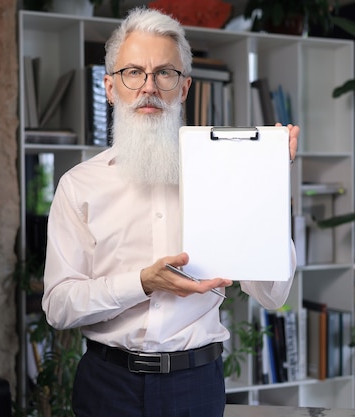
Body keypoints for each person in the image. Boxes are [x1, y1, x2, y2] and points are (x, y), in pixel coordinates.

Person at [42, 7, 299, 417]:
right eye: (133, 73)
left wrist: (267, 182)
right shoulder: (78, 185)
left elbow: (272, 293)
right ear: (110, 87)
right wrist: (142, 282)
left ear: (183, 88)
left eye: (165, 73)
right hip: (107, 383)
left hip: (195, 386)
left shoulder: (227, 176)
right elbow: (58, 307)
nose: (149, 87)